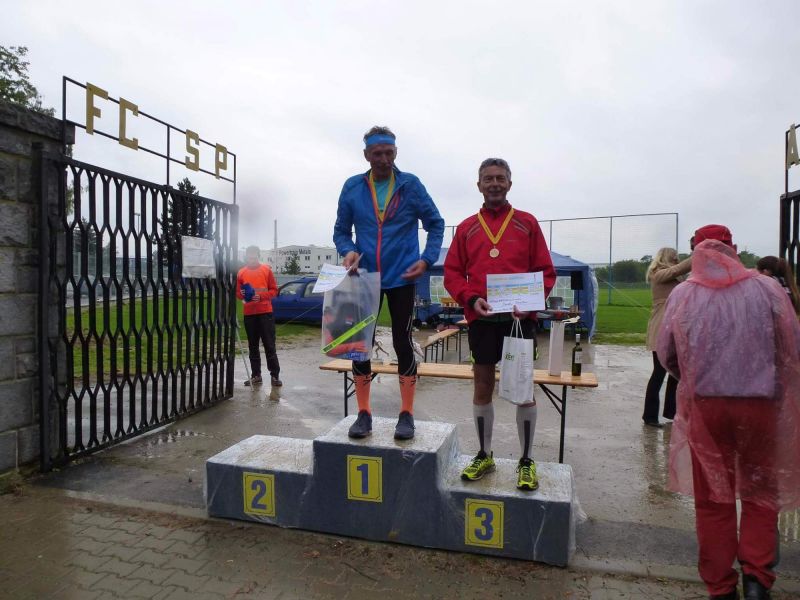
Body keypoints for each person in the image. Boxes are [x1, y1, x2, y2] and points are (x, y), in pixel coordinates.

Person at [658, 224, 800, 600]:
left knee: (712, 499)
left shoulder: (684, 294)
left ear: (695, 251)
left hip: (708, 405)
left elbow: (667, 352)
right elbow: (791, 346)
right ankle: (757, 578)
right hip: (760, 402)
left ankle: (721, 585)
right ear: (733, 248)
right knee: (761, 491)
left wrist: (691, 377)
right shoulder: (766, 288)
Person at [444, 158, 556, 490]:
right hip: (483, 319)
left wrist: (531, 302)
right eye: (488, 179)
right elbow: (452, 273)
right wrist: (470, 298)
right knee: (482, 386)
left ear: (509, 183)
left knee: (523, 389)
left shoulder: (527, 222)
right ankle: (484, 454)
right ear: (478, 185)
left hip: (519, 320)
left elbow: (545, 271)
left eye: (500, 178)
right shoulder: (466, 227)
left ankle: (526, 460)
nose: (494, 183)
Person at [333, 126, 444, 440]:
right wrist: (348, 250)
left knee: (402, 341)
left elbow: (435, 223)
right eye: (377, 153)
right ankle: (363, 414)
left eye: (389, 153)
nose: (383, 159)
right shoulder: (353, 187)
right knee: (360, 344)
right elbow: (340, 231)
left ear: (396, 152)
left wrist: (427, 259)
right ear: (366, 155)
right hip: (365, 277)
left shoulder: (410, 185)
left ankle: (406, 414)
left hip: (402, 276)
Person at [642, 247, 691, 427]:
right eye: (675, 258)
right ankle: (650, 416)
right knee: (659, 373)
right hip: (661, 328)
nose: (677, 260)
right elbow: (677, 270)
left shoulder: (674, 277)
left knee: (675, 373)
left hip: (674, 328)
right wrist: (698, 256)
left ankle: (672, 412)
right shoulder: (658, 274)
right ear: (666, 258)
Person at [236, 246, 282, 387]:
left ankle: (275, 376)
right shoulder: (241, 272)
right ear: (246, 257)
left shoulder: (266, 270)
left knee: (269, 345)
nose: (252, 259)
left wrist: (261, 296)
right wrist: (242, 294)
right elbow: (238, 294)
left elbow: (274, 291)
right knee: (253, 346)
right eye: (249, 257)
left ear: (258, 256)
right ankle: (256, 375)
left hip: (265, 313)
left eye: (254, 257)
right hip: (249, 314)